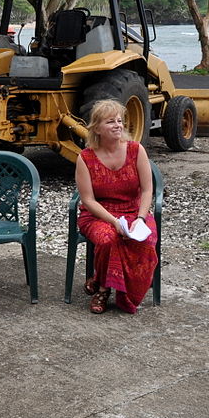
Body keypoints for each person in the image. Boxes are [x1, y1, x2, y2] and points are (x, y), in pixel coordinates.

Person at [75, 99, 158, 314]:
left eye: (119, 121)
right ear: (97, 128)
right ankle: (103, 290)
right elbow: (88, 200)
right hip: (98, 214)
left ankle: (102, 282)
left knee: (145, 239)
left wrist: (140, 218)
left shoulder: (135, 150)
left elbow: (148, 190)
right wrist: (113, 221)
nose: (117, 125)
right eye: (110, 122)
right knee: (108, 238)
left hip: (134, 210)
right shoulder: (85, 158)